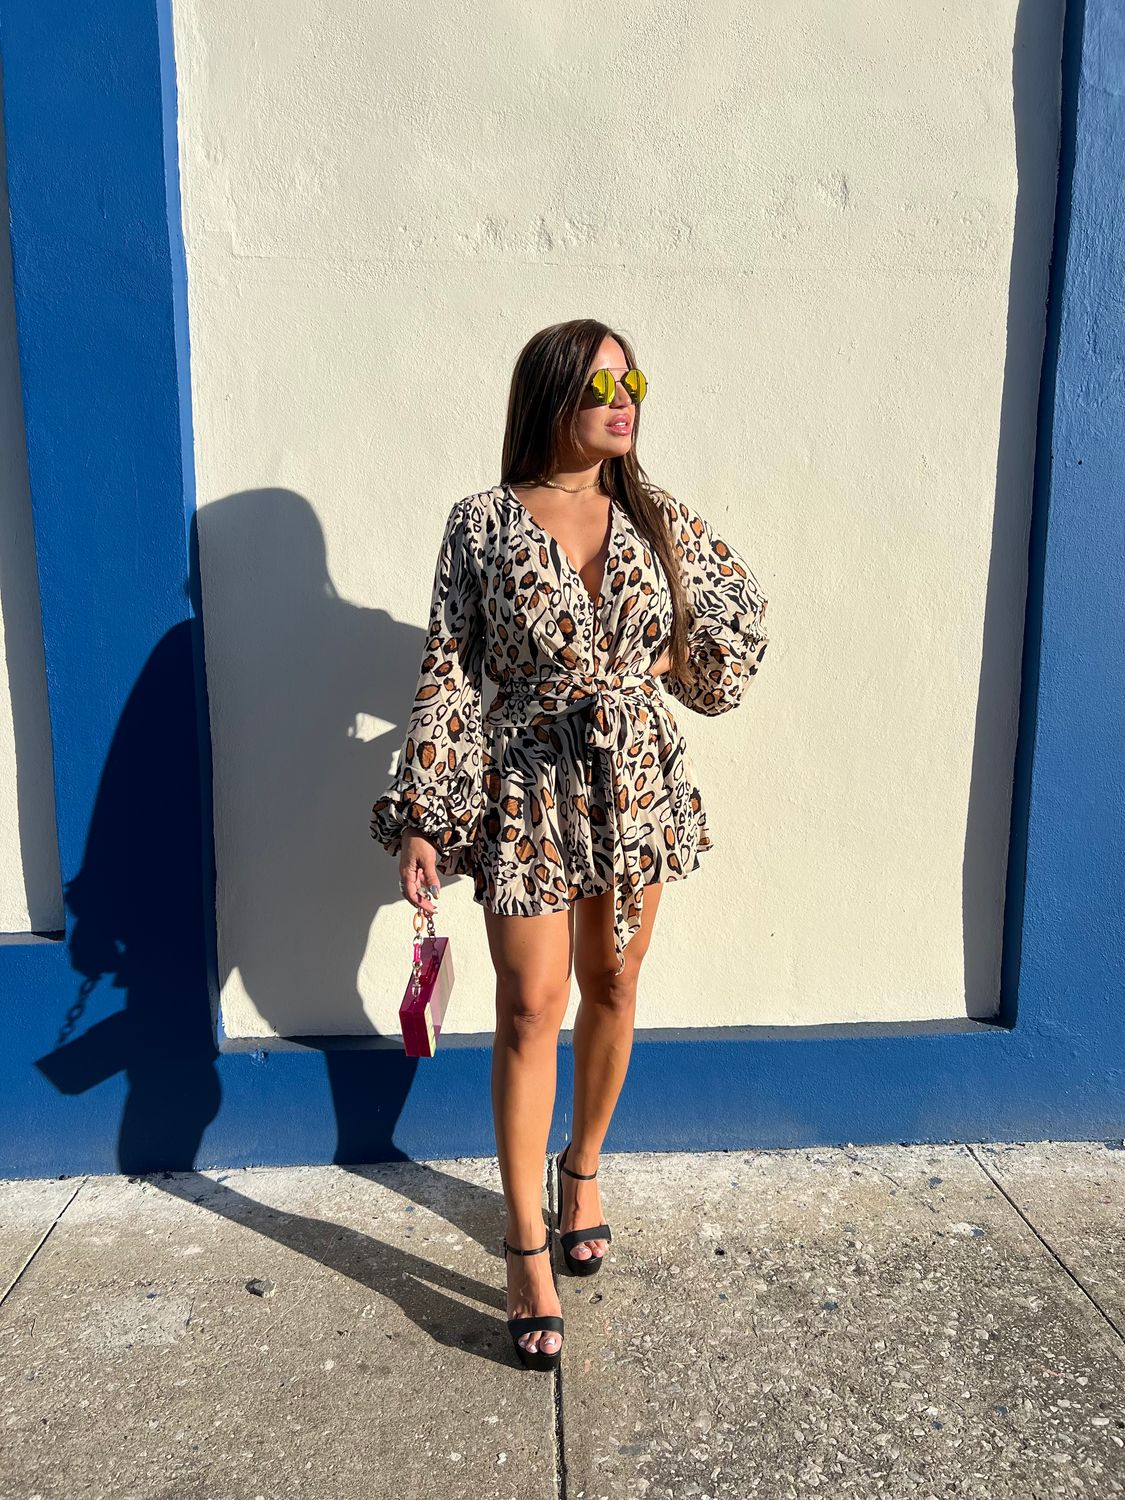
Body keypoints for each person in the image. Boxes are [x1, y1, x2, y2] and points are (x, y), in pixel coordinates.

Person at [370, 317, 770, 1370]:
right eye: (600, 385)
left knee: (615, 983)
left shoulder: (657, 515)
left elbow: (734, 629)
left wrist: (666, 660)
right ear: (551, 395)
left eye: (633, 381)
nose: (622, 400)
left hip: (631, 781)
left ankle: (581, 1170)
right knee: (527, 1006)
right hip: (526, 783)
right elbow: (448, 670)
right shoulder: (481, 523)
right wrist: (425, 813)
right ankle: (523, 1245)